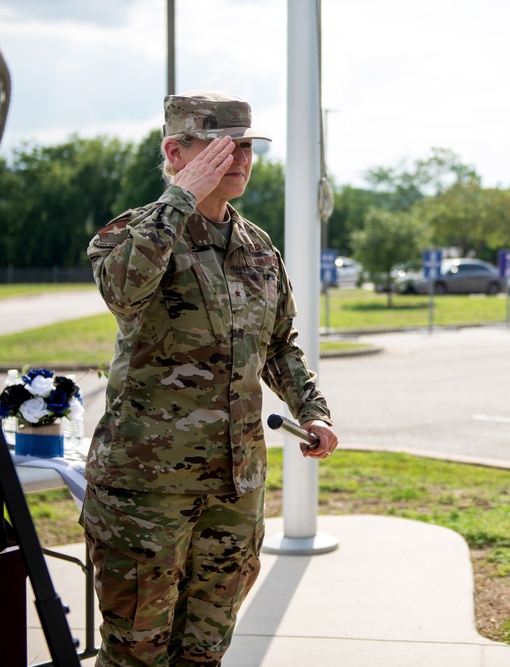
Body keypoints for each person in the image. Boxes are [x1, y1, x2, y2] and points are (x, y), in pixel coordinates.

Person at [81, 90, 338, 667]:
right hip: (147, 492)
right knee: (136, 655)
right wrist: (181, 198)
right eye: (226, 148)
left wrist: (312, 409)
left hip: (234, 488)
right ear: (177, 151)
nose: (243, 160)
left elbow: (279, 345)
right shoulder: (130, 233)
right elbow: (123, 292)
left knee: (203, 653)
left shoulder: (258, 247)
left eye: (248, 147)